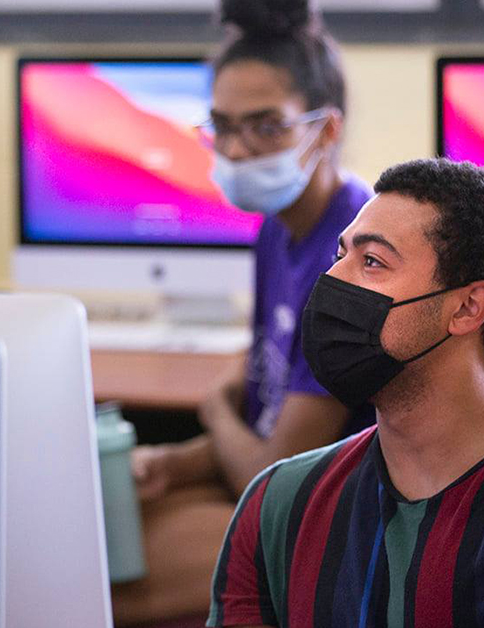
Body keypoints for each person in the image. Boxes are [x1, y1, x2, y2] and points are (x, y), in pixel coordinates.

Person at [209, 158, 484, 628]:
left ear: (468, 307)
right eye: (340, 256)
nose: (330, 281)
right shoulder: (279, 506)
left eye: (371, 262)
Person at [116, 1, 368, 623]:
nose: (238, 149)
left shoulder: (352, 256)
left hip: (325, 527)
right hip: (268, 492)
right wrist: (174, 463)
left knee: (93, 575)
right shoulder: (278, 231)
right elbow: (260, 414)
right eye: (223, 126)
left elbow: (272, 471)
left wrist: (210, 408)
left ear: (326, 130)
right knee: (105, 516)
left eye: (265, 126)